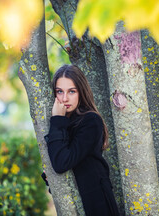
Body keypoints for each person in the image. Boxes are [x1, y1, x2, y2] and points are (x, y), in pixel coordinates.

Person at [44, 64, 119, 216]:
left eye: (72, 91)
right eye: (59, 91)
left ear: (81, 91)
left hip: (97, 202)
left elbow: (61, 163)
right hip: (77, 202)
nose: (64, 98)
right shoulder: (64, 122)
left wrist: (58, 119)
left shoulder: (91, 121)